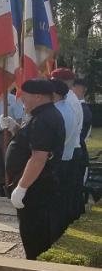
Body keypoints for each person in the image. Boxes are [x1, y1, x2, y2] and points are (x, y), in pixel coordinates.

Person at [4, 78, 65, 260]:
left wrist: (22, 188)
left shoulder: (43, 119)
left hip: (35, 187)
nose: (21, 99)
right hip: (37, 184)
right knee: (32, 231)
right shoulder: (41, 114)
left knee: (34, 234)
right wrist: (16, 129)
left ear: (38, 96)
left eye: (25, 96)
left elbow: (39, 157)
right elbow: (30, 142)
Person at [51, 79, 77, 234]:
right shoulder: (65, 108)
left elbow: (57, 140)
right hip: (65, 159)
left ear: (54, 94)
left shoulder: (60, 112)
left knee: (56, 202)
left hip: (58, 161)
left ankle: (56, 232)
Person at [72, 78, 92, 218]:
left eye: (74, 86)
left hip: (77, 152)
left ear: (82, 89)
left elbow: (81, 135)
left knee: (75, 188)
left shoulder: (82, 109)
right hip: (75, 152)